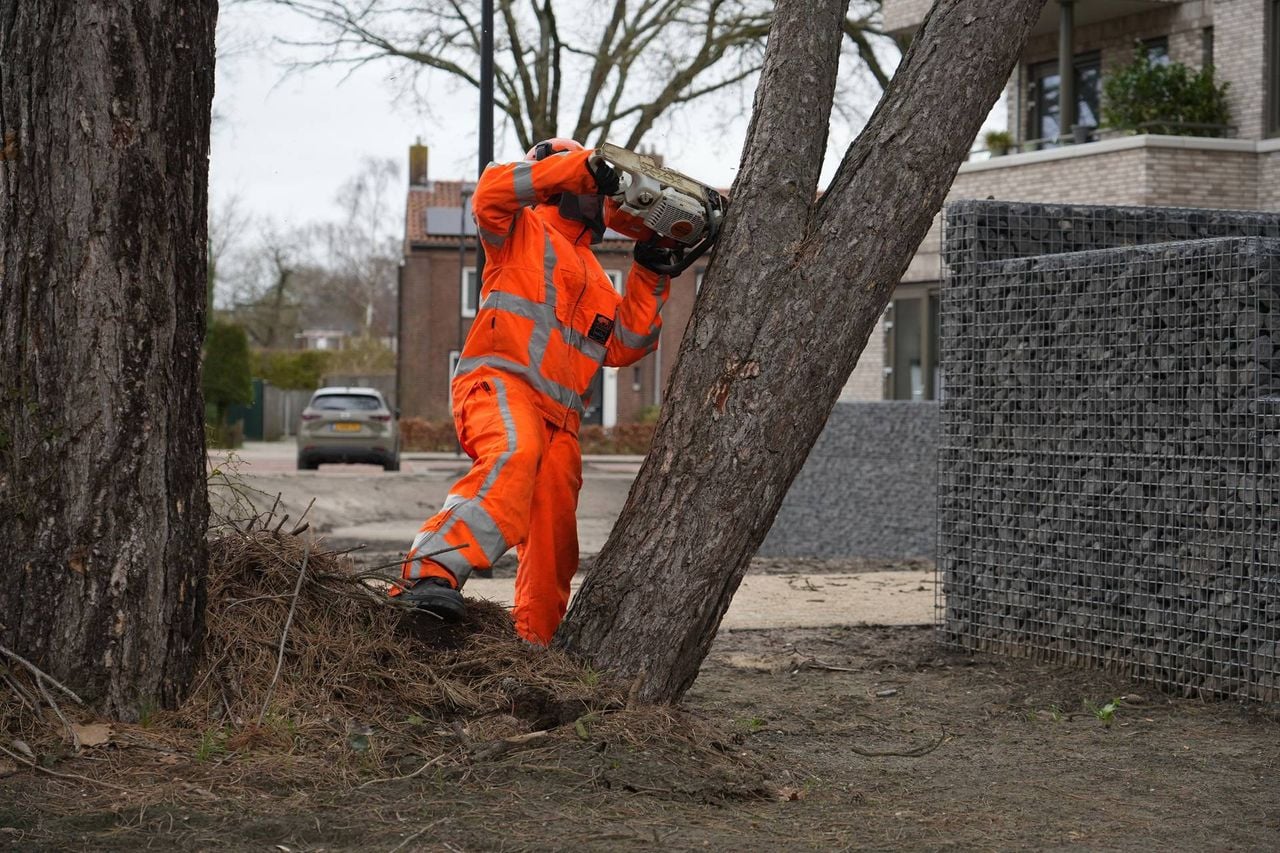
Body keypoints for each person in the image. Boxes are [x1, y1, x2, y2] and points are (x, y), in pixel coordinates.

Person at [393, 138, 682, 645]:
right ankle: (429, 575)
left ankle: (536, 644)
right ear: (564, 180)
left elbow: (626, 344)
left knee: (554, 541)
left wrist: (652, 269)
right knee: (512, 454)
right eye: (593, 185)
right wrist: (581, 168)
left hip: (562, 421)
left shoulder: (596, 274)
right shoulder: (519, 229)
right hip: (501, 385)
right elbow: (490, 194)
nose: (601, 199)